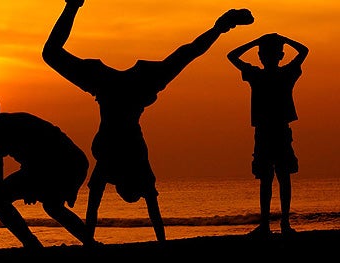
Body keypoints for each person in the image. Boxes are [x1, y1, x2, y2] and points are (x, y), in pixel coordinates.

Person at [42, 0, 253, 243]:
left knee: (185, 55)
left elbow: (137, 206)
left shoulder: (123, 162)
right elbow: (98, 206)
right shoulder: (128, 161)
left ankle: (221, 26)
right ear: (122, 185)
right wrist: (90, 241)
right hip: (120, 89)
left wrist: (90, 242)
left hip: (126, 89)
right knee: (51, 54)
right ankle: (73, 4)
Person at [0, 86, 97, 247]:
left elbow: (46, 150)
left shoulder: (12, 125)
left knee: (6, 199)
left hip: (67, 163)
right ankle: (89, 242)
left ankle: (32, 244)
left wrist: (33, 184)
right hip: (68, 163)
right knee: (51, 206)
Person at [227, 33, 308, 237]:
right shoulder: (279, 73)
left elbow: (232, 55)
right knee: (276, 177)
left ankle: (276, 224)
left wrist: (257, 41)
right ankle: (278, 224)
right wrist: (281, 40)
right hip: (270, 130)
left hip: (272, 130)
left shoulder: (263, 74)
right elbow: (304, 51)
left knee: (275, 177)